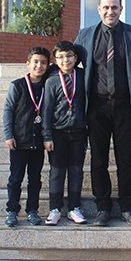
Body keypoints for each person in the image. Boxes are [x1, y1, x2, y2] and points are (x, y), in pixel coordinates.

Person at [74, 0, 131, 227]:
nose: (110, 11)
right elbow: (68, 64)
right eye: (105, 7)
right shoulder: (85, 36)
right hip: (97, 107)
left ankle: (127, 207)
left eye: (114, 7)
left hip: (125, 106)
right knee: (98, 160)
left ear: (121, 9)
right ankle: (102, 208)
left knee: (125, 161)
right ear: (98, 9)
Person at [2, 46, 51, 227]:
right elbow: (8, 110)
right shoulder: (17, 85)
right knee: (15, 178)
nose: (39, 66)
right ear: (28, 64)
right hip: (19, 141)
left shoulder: (48, 85)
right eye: (35, 62)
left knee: (35, 179)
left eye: (43, 62)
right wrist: (8, 135)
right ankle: (12, 210)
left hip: (38, 142)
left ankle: (32, 210)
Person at [42, 41, 88, 226]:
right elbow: (46, 110)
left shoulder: (83, 76)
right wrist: (47, 136)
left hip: (79, 132)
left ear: (75, 58)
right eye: (60, 57)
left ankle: (74, 207)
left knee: (76, 170)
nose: (65, 60)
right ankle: (55, 208)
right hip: (58, 133)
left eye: (69, 56)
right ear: (55, 60)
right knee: (57, 171)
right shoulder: (52, 81)